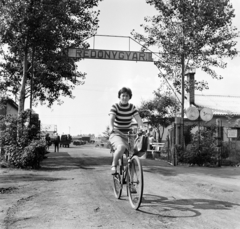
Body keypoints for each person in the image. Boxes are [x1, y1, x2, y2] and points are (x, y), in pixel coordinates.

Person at [109, 87, 145, 175]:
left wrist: (141, 128)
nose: (125, 97)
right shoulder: (115, 106)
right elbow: (111, 119)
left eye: (127, 96)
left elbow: (138, 119)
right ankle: (114, 165)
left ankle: (131, 183)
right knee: (121, 147)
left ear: (130, 97)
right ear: (119, 96)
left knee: (132, 157)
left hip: (128, 135)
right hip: (117, 133)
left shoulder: (132, 107)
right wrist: (111, 127)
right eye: (123, 95)